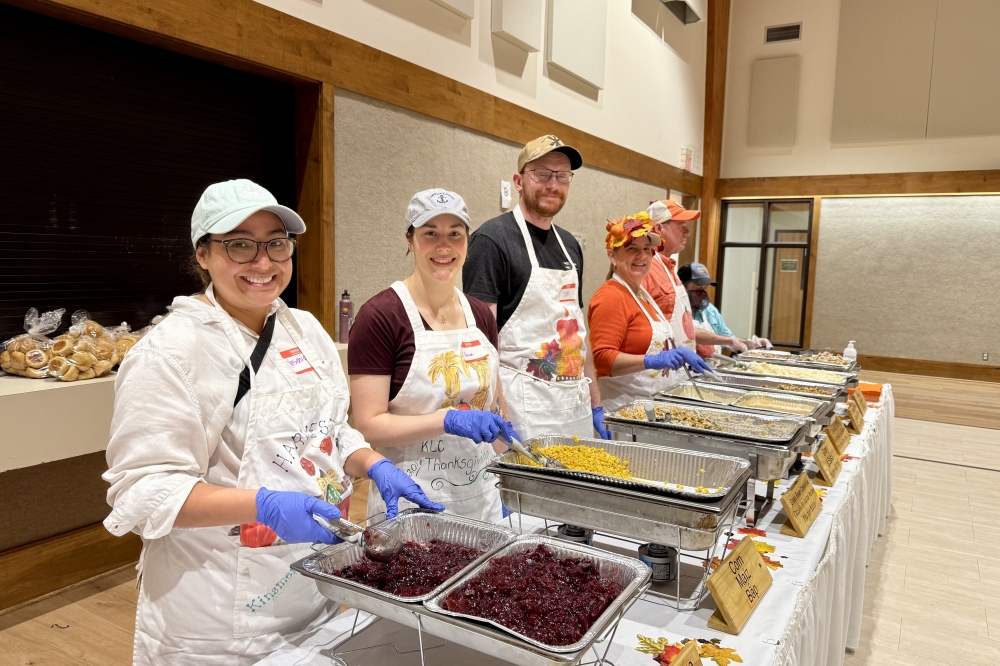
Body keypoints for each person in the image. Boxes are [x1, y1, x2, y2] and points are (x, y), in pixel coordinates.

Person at [102, 180, 442, 666]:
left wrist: (370, 462)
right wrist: (261, 505)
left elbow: (331, 428)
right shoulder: (172, 352)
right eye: (239, 244)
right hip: (218, 608)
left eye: (276, 244)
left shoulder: (304, 329)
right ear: (203, 254)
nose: (263, 263)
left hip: (312, 582)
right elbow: (145, 490)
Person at [349, 188, 518, 523]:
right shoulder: (381, 316)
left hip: (481, 499)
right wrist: (448, 419)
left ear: (467, 242)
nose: (444, 246)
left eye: (455, 234)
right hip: (413, 502)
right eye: (430, 234)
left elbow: (493, 402)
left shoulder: (481, 316)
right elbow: (369, 426)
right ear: (409, 240)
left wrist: (513, 468)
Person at [463, 135, 608, 439]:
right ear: (518, 181)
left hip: (574, 407)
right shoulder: (492, 241)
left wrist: (595, 399)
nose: (553, 184)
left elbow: (578, 330)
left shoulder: (570, 245)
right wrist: (498, 414)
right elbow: (478, 343)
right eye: (542, 174)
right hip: (523, 412)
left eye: (563, 176)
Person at [588, 213, 712, 412]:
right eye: (632, 249)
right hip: (624, 410)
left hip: (649, 407)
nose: (642, 256)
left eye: (647, 249)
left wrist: (677, 351)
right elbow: (602, 358)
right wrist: (652, 361)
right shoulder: (611, 296)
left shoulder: (641, 294)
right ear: (612, 255)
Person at [642, 200, 751, 359]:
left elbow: (682, 328)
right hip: (653, 370)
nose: (687, 232)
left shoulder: (668, 268)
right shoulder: (647, 268)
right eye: (681, 227)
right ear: (658, 228)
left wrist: (737, 341)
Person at [679, 262, 773, 358]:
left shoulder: (710, 311)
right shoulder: (675, 310)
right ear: (681, 286)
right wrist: (729, 341)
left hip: (710, 370)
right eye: (698, 287)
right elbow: (689, 332)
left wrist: (750, 343)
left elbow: (727, 339)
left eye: (705, 288)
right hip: (683, 369)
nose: (702, 293)